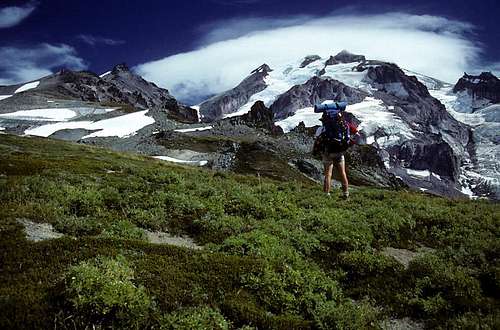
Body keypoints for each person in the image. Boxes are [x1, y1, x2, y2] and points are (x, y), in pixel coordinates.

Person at [313, 101, 358, 199]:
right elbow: (355, 131)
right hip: (339, 151)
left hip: (327, 152)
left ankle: (326, 194)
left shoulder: (322, 128)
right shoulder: (344, 125)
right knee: (342, 172)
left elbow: (317, 139)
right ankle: (345, 193)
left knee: (328, 174)